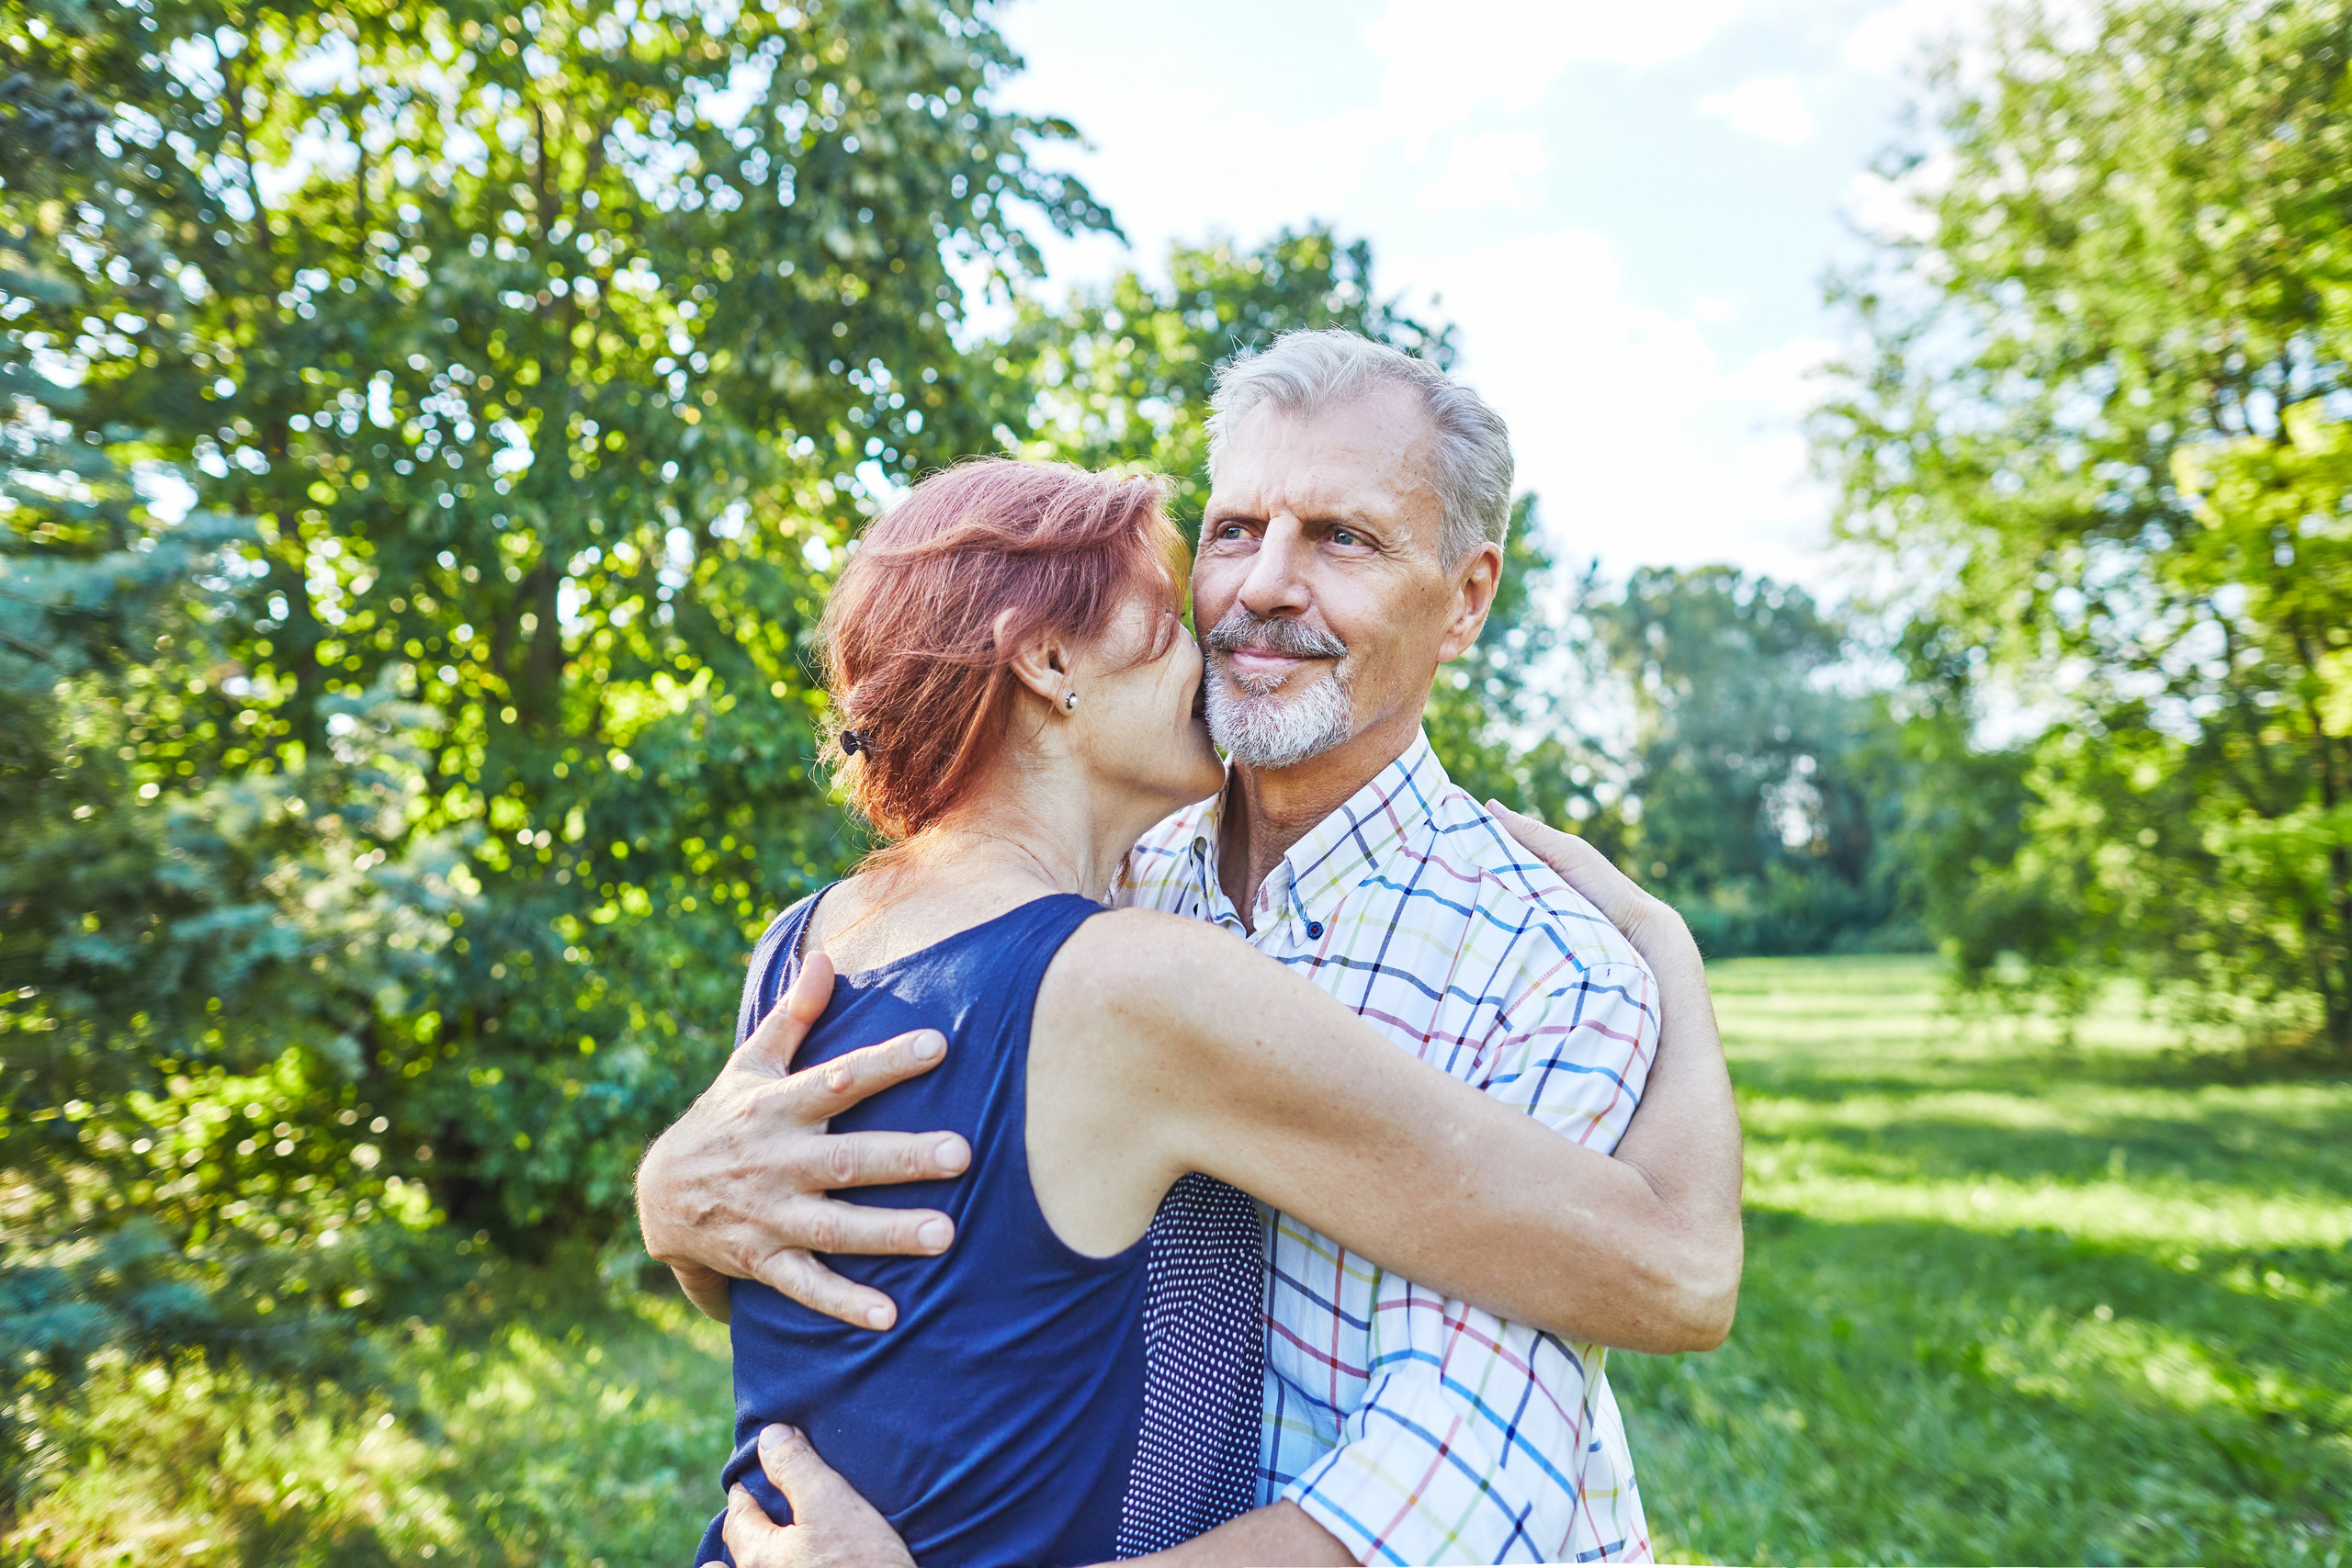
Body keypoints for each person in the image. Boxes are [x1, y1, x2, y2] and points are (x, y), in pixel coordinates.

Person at [641, 331, 1746, 1566]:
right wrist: (675, 1202)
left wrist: (1663, 948)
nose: (1261, 589)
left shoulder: (1548, 961)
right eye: (1230, 534)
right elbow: (853, 1271)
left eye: (1344, 537)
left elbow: (1448, 1479)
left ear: (1468, 597)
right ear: (1050, 662)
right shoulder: (1123, 896)